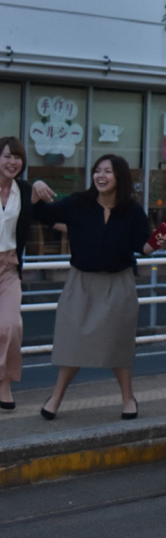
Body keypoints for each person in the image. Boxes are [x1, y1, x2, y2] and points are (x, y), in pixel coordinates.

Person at [30, 154, 166, 420]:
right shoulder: (78, 203)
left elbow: (142, 247)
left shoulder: (131, 210)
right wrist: (36, 188)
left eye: (108, 171)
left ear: (120, 177)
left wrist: (154, 244)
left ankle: (128, 399)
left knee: (118, 344)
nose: (101, 176)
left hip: (118, 284)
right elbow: (42, 213)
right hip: (81, 282)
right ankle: (55, 398)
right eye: (97, 171)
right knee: (72, 343)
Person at [0, 136, 45, 410]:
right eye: (6, 156)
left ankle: (3, 383)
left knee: (11, 326)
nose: (12, 162)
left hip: (9, 267)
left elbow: (54, 217)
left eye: (17, 157)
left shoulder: (26, 190)